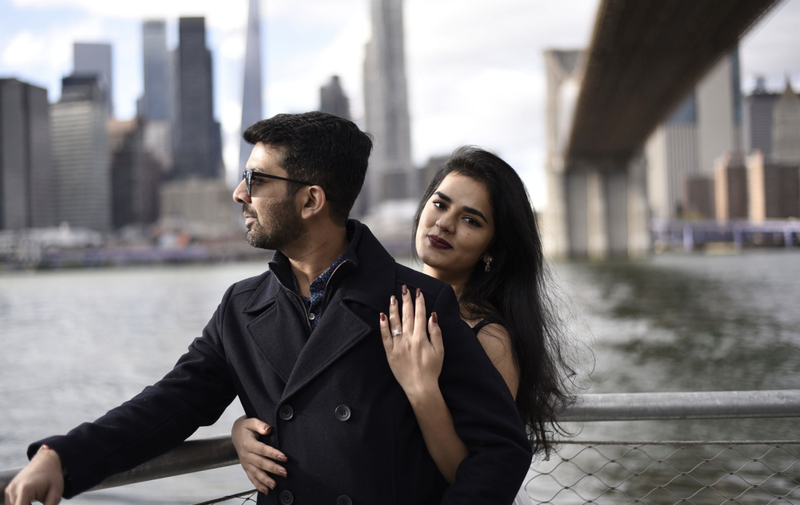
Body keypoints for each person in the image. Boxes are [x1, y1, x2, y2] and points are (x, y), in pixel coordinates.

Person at [5, 114, 532, 505]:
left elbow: (501, 451)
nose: (239, 194)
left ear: (311, 201)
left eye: (256, 180)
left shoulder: (420, 303)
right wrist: (60, 457)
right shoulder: (242, 307)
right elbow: (166, 408)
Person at [231, 146, 574, 503]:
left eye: (471, 220)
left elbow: (479, 473)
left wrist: (422, 388)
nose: (444, 224)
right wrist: (247, 430)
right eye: (440, 204)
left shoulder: (489, 336)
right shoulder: (380, 302)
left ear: (493, 247)